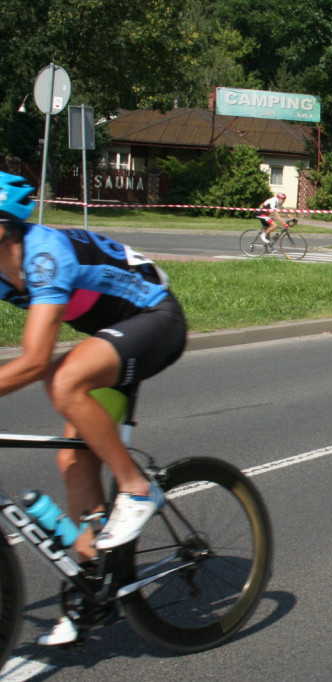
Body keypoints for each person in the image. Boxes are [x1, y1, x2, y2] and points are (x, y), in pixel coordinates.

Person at [0, 172, 187, 644]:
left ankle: (135, 486)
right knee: (73, 460)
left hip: (156, 319)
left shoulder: (44, 256)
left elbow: (35, 359)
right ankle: (95, 586)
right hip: (113, 335)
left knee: (63, 380)